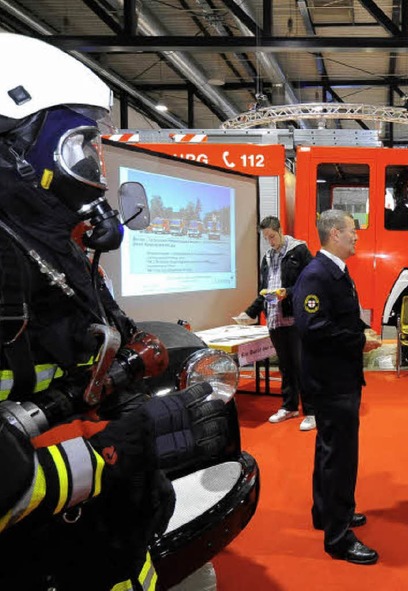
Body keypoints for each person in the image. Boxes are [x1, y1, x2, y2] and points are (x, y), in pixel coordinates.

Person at [0, 32, 225, 590]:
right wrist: (108, 454)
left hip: (110, 544)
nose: (94, 169)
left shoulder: (53, 250)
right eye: (79, 146)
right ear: (18, 151)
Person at [292, 209, 381, 564]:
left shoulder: (336, 272)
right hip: (331, 381)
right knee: (340, 456)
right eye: (351, 231)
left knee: (329, 450)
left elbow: (337, 318)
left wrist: (360, 333)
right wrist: (357, 341)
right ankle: (339, 536)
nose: (356, 236)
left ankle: (326, 511)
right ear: (333, 234)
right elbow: (312, 328)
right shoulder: (316, 275)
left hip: (338, 377)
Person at [237, 216, 315, 430]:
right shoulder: (267, 257)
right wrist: (249, 312)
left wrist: (287, 293)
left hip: (294, 318)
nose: (270, 241)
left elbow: (310, 282)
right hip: (274, 318)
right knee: (285, 366)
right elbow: (265, 290)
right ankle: (289, 406)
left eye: (272, 236)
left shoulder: (299, 251)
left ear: (280, 230)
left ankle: (312, 411)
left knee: (301, 366)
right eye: (266, 238)